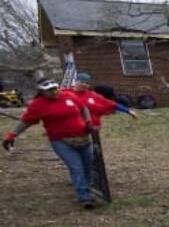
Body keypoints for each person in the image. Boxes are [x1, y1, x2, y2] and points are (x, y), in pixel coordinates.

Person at [3, 79, 98, 208]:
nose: (54, 92)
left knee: (88, 164)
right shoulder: (37, 105)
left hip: (82, 137)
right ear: (42, 92)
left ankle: (87, 187)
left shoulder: (69, 96)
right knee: (76, 167)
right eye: (49, 90)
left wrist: (88, 122)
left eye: (55, 88)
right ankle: (85, 196)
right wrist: (11, 135)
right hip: (60, 140)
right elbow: (26, 121)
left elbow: (83, 108)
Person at [64, 72, 137, 130]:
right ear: (76, 81)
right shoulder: (65, 93)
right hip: (71, 128)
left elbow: (110, 104)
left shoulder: (92, 95)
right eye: (82, 82)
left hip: (90, 128)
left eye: (87, 83)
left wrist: (127, 111)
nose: (84, 84)